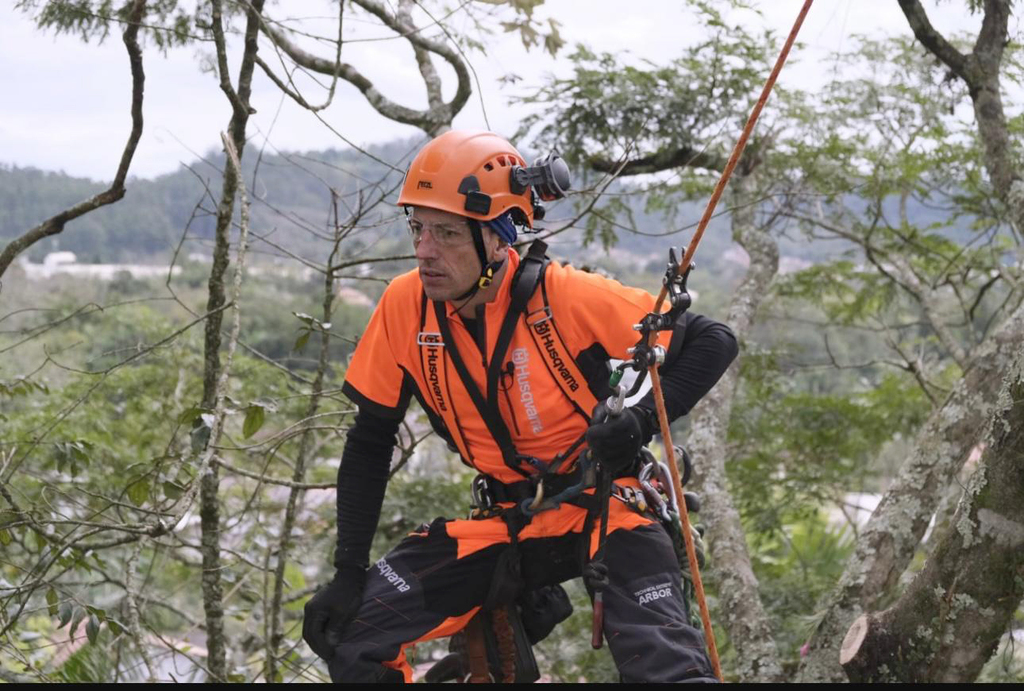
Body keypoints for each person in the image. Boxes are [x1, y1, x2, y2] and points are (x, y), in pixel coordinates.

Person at [302, 130, 737, 683]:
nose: (425, 250)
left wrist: (641, 420)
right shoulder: (404, 306)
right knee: (351, 638)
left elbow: (713, 340)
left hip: (607, 503)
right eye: (418, 228)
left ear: (498, 236)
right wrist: (348, 571)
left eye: (447, 233)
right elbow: (370, 441)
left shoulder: (562, 295)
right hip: (506, 520)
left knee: (666, 668)